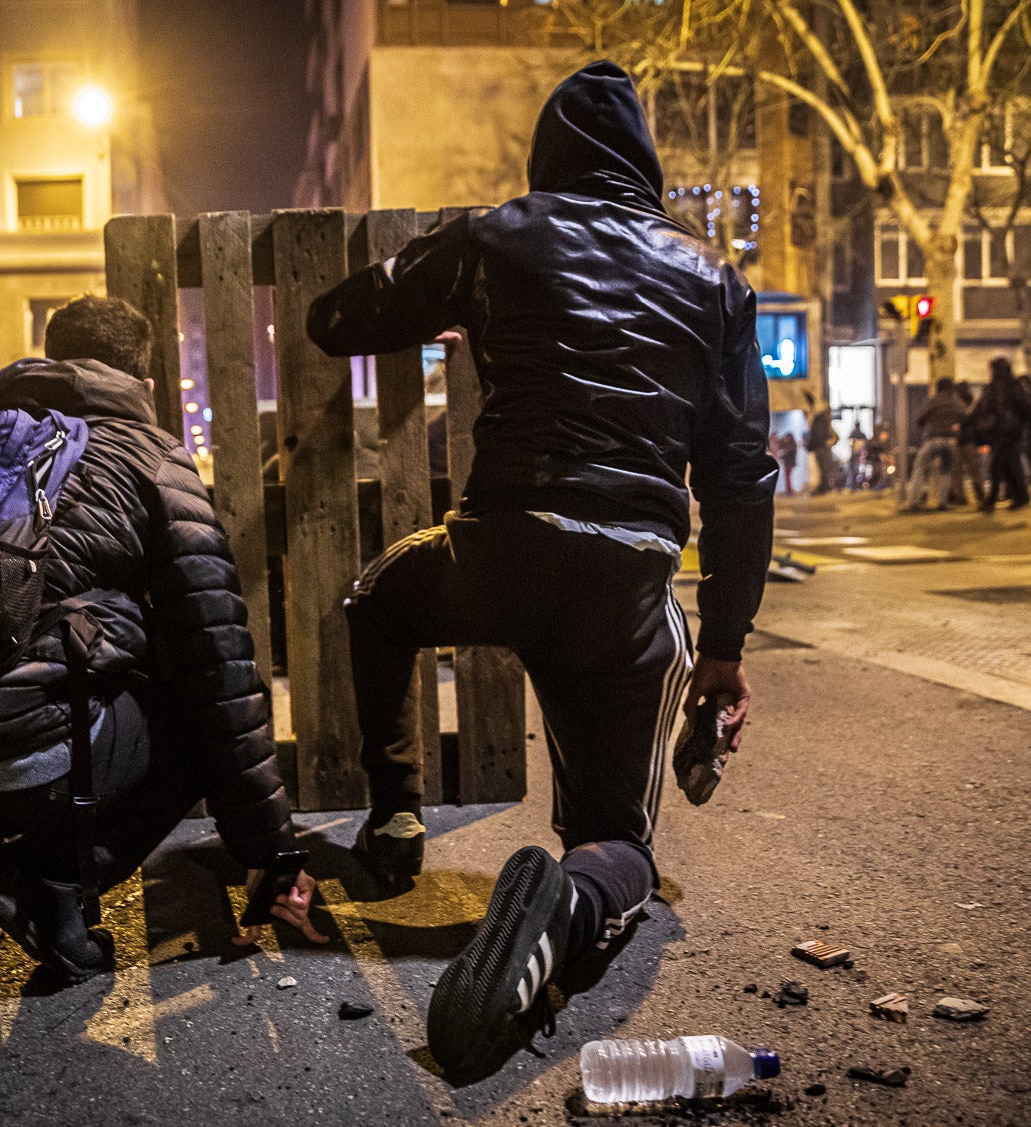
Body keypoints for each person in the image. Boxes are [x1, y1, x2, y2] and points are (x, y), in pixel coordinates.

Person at [305, 61, 775, 1084]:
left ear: (546, 155)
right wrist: (727, 649)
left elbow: (335, 321)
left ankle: (392, 811)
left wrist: (451, 305)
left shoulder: (493, 235)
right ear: (645, 165)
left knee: (377, 599)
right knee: (617, 840)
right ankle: (570, 899)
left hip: (498, 546)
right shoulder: (716, 281)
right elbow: (743, 478)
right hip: (629, 583)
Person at [0, 296, 322, 983]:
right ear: (144, 381)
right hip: (7, 770)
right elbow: (221, 672)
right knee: (184, 706)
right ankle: (50, 887)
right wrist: (268, 851)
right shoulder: (146, 454)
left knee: (19, 686)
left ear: (48, 357)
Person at [968, 356, 1031, 511]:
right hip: (1004, 433)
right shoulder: (1004, 387)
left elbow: (1025, 408)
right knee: (1010, 466)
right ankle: (1021, 497)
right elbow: (981, 409)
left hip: (1007, 434)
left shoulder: (1008, 388)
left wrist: (968, 422)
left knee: (997, 466)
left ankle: (991, 501)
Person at [901, 378, 966, 511]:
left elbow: (920, 418)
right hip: (951, 441)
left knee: (920, 466)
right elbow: (965, 418)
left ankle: (914, 501)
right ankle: (942, 503)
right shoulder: (957, 402)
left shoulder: (933, 400)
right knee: (946, 471)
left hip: (934, 438)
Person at [805, 393, 837, 494]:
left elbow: (818, 435)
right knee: (823, 468)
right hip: (821, 447)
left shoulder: (820, 420)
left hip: (821, 447)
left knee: (824, 468)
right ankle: (824, 487)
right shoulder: (822, 420)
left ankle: (824, 488)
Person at [772, 430, 799, 496]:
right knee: (787, 477)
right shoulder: (792, 444)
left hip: (789, 463)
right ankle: (789, 491)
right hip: (789, 463)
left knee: (788, 478)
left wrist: (782, 455)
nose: (786, 439)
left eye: (787, 437)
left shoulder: (791, 445)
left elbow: (787, 453)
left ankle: (789, 492)